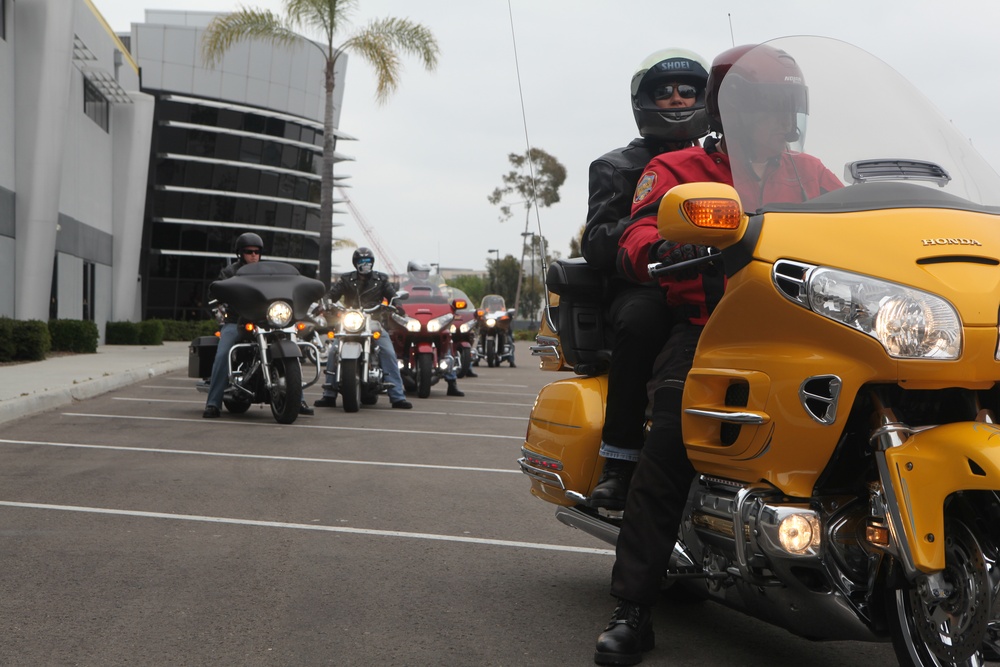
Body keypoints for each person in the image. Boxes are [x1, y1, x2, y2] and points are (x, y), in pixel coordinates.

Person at [594, 44, 842, 666]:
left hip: (805, 331)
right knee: (673, 440)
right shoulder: (679, 169)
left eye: (789, 107)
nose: (782, 121)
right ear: (733, 110)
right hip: (713, 327)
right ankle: (633, 609)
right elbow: (638, 233)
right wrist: (665, 251)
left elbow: (853, 221)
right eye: (770, 107)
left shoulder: (810, 173)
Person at [580, 48, 711, 509]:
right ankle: (619, 460)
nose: (677, 100)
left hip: (719, 279)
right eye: (665, 92)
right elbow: (596, 240)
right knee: (641, 323)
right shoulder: (616, 166)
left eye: (688, 91)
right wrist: (666, 240)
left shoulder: (722, 161)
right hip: (646, 282)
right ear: (645, 101)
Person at [202, 233, 315, 417]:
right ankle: (213, 403)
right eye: (249, 252)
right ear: (240, 253)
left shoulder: (268, 271)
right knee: (223, 354)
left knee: (292, 349)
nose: (254, 255)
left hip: (267, 321)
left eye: (257, 252)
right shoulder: (230, 272)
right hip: (237, 322)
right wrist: (217, 294)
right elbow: (217, 289)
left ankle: (298, 399)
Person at [314, 248, 413, 409]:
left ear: (372, 263)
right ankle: (329, 395)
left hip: (373, 321)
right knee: (333, 351)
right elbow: (332, 294)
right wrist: (323, 304)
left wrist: (398, 305)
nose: (365, 265)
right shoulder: (346, 279)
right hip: (350, 320)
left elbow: (392, 294)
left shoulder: (381, 279)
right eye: (362, 262)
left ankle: (397, 397)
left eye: (368, 262)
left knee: (388, 352)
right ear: (356, 263)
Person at [399, 260, 465, 397]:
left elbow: (443, 301)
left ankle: (452, 383)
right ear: (411, 274)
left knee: (448, 342)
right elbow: (396, 301)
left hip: (431, 320)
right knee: (391, 338)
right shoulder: (403, 287)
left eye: (425, 273)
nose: (423, 276)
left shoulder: (434, 288)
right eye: (419, 273)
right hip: (411, 320)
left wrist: (450, 306)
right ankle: (386, 381)